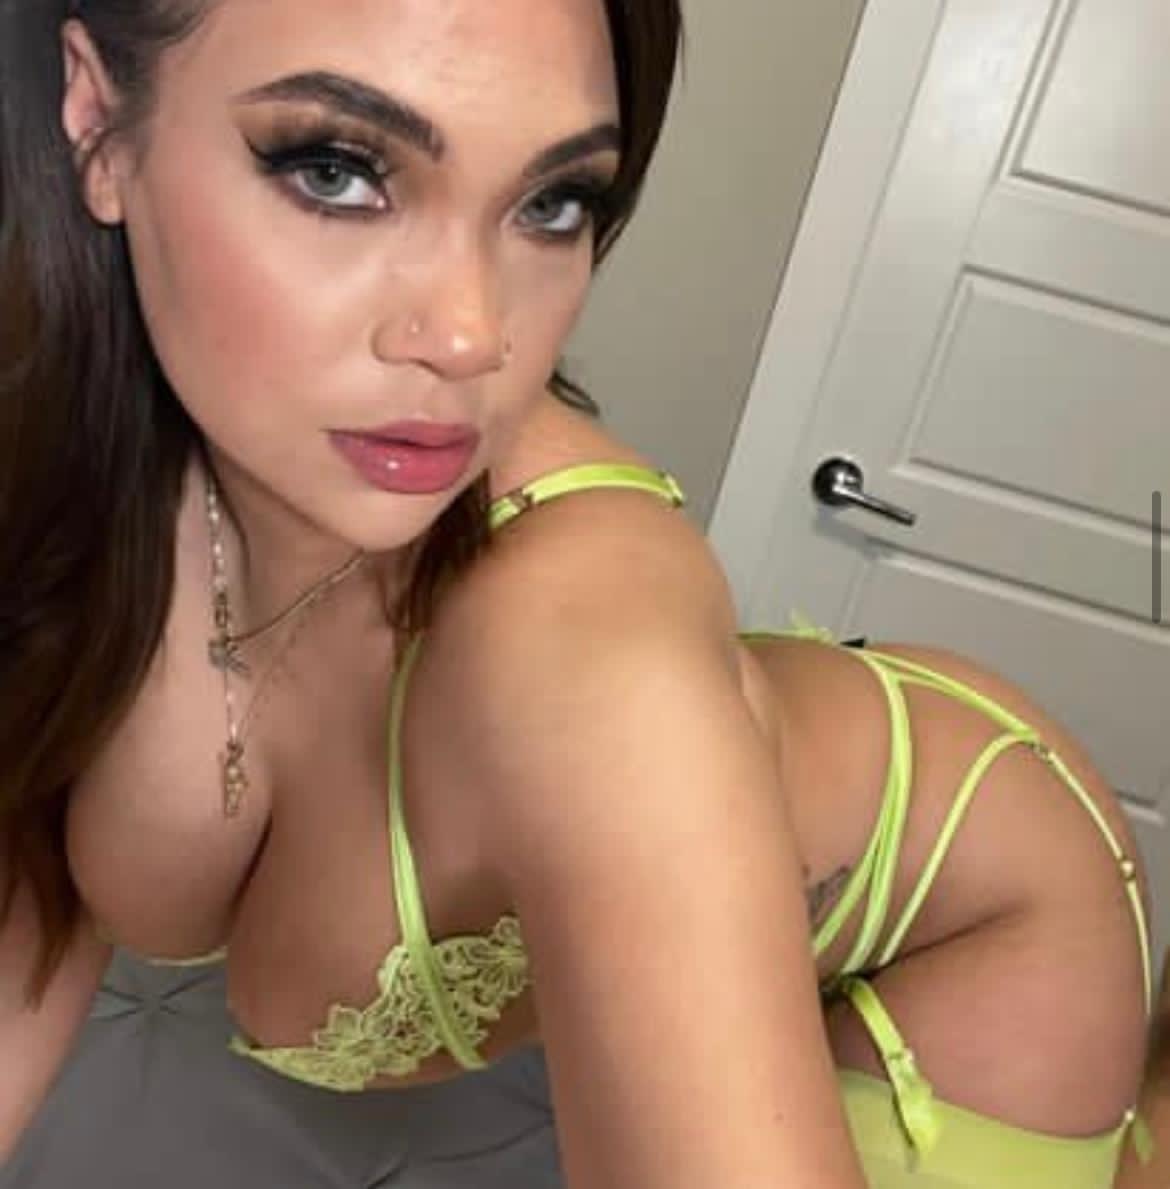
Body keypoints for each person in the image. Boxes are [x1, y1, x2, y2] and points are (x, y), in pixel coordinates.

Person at [0, 1, 1153, 1186]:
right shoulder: (92, 456)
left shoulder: (585, 668)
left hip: (981, 916)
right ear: (96, 117)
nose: (471, 336)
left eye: (553, 203)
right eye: (337, 171)